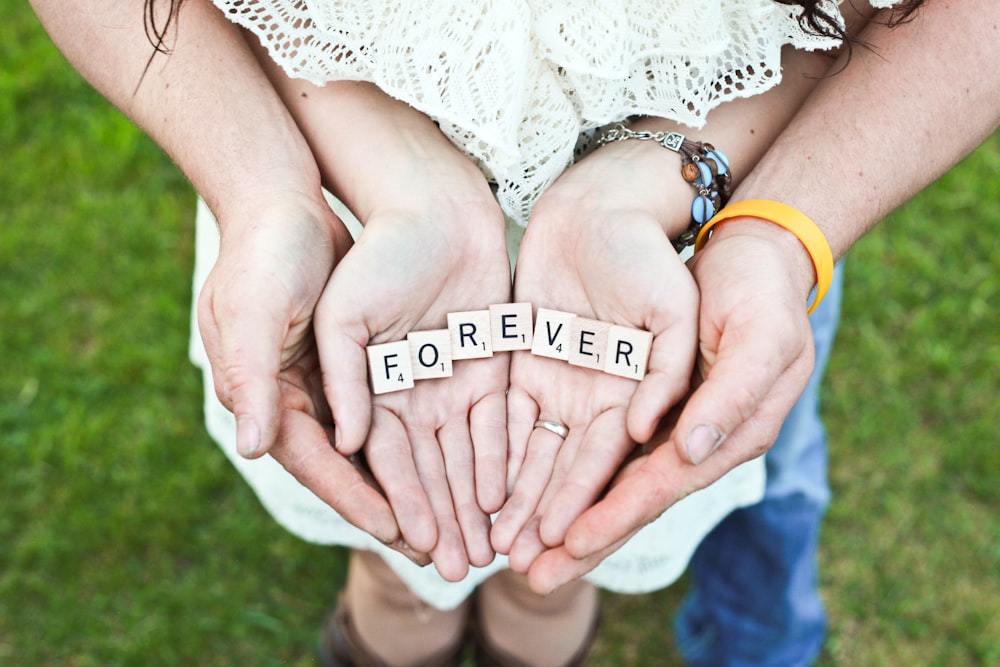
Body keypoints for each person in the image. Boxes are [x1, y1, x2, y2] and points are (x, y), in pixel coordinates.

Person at [29, 1, 999, 666]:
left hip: (692, 231)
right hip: (345, 193)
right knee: (402, 564)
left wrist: (776, 231)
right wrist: (265, 190)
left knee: (559, 565)